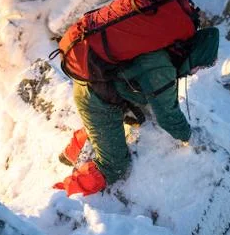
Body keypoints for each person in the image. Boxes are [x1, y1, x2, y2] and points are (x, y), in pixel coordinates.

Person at [53, 27, 219, 197]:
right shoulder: (162, 69)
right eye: (200, 66)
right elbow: (167, 116)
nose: (195, 72)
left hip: (101, 83)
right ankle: (66, 193)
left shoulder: (163, 48)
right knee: (115, 167)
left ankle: (71, 152)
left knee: (135, 118)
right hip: (96, 99)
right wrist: (190, 136)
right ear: (194, 56)